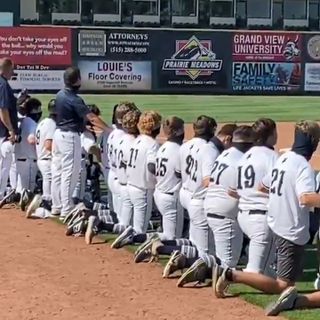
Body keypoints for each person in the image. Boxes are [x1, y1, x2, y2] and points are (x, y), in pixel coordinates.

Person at [213, 120, 320, 300]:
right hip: (290, 229)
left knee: (282, 279)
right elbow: (306, 198)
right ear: (311, 141)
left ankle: (232, 274)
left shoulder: (284, 159)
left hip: (276, 222)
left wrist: (284, 194)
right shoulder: (301, 165)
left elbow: (263, 186)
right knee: (283, 285)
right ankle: (232, 274)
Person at [51, 66, 110, 220]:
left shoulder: (59, 94)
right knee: (69, 172)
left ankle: (57, 205)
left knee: (58, 171)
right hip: (69, 136)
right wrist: (108, 129)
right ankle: (66, 207)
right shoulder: (74, 98)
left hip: (58, 133)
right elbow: (91, 117)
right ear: (77, 80)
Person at [111, 111, 162, 249]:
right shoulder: (152, 144)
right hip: (142, 189)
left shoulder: (136, 141)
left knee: (129, 222)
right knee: (140, 229)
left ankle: (123, 235)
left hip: (130, 185)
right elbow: (152, 166)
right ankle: (135, 247)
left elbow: (124, 161)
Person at [234, 118, 278, 275]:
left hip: (243, 215)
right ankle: (226, 274)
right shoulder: (271, 156)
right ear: (270, 135)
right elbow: (277, 185)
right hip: (261, 218)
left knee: (266, 271)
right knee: (258, 272)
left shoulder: (245, 156)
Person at [177, 115, 219, 254]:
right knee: (205, 250)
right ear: (213, 130)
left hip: (185, 194)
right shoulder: (209, 149)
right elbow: (208, 181)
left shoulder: (184, 145)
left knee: (194, 240)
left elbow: (178, 172)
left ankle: (185, 260)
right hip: (199, 200)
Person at [26, 99, 57, 218]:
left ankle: (42, 205)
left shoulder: (43, 122)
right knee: (49, 191)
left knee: (48, 185)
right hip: (47, 160)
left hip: (41, 158)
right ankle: (42, 209)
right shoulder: (51, 124)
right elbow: (48, 144)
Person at [0, 58, 19, 203]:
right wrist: (11, 130)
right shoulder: (3, 84)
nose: (13, 71)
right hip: (3, 133)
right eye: (11, 68)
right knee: (3, 165)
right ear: (5, 68)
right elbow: (3, 110)